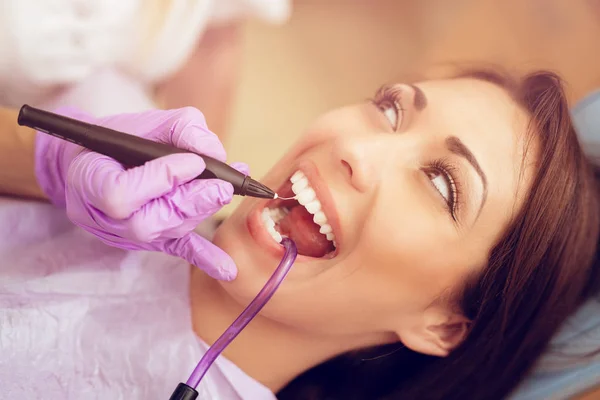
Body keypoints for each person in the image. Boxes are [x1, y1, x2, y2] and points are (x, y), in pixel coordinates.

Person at [0, 67, 598, 399]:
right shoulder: (119, 142)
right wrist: (47, 158)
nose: (356, 149)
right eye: (391, 110)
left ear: (442, 324)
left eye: (442, 184)